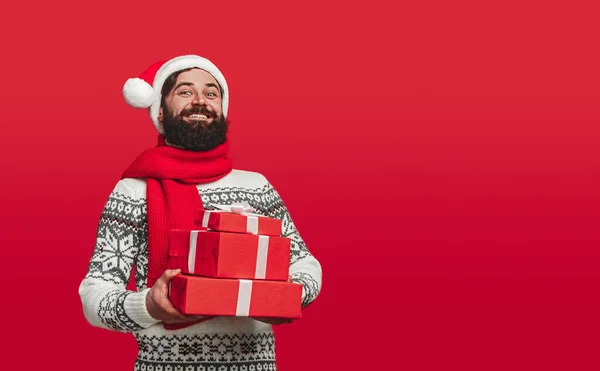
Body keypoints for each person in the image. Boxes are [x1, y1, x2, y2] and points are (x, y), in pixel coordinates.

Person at [78, 54, 322, 371]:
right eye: (185, 91)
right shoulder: (134, 191)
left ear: (222, 108)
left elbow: (304, 262)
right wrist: (149, 305)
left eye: (211, 93)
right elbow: (94, 295)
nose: (200, 101)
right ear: (160, 111)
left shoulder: (256, 186)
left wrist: (290, 296)